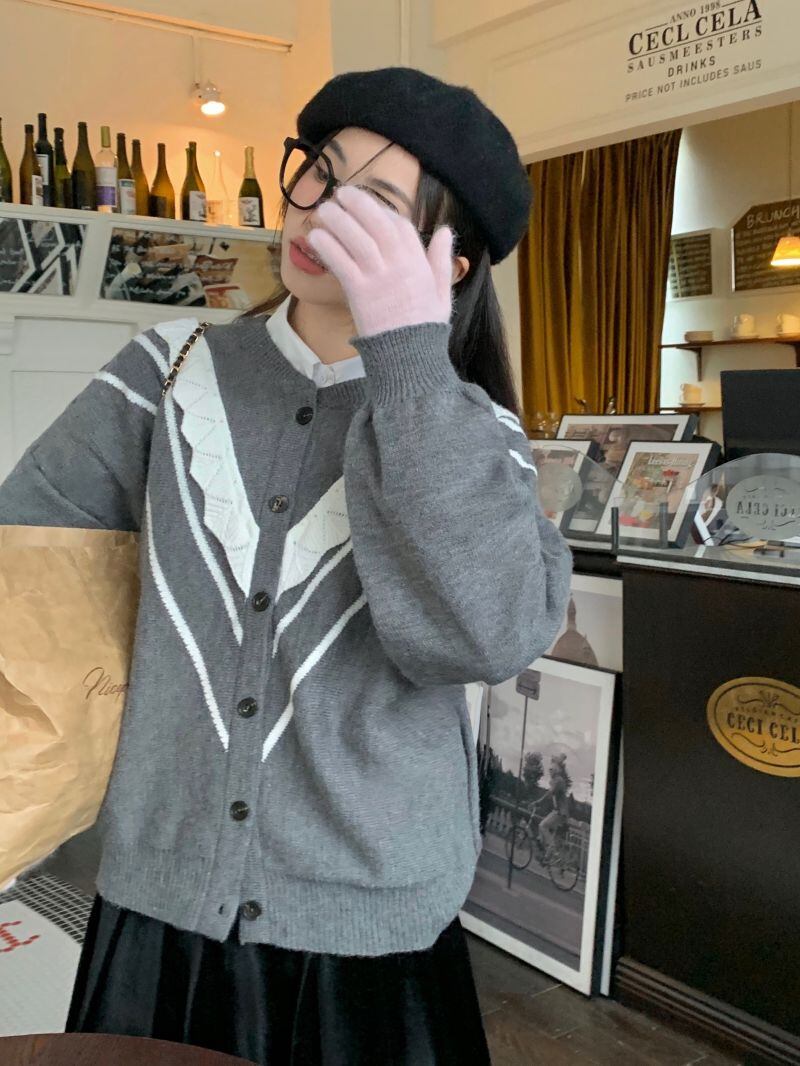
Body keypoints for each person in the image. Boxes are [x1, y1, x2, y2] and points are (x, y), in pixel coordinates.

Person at [0, 67, 573, 1065]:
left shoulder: (470, 432)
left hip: (370, 934)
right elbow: (27, 570)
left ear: (450, 262)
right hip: (162, 903)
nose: (322, 211)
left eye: (378, 204)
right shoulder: (164, 373)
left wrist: (408, 359)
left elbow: (485, 638)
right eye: (321, 172)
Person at [535, 759, 571, 858]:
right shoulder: (555, 780)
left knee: (542, 826)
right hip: (558, 811)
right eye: (549, 770)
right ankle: (546, 857)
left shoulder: (558, 780)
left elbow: (549, 793)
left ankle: (553, 848)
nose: (549, 771)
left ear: (555, 771)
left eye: (551, 770)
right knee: (543, 831)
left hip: (560, 812)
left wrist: (538, 801)